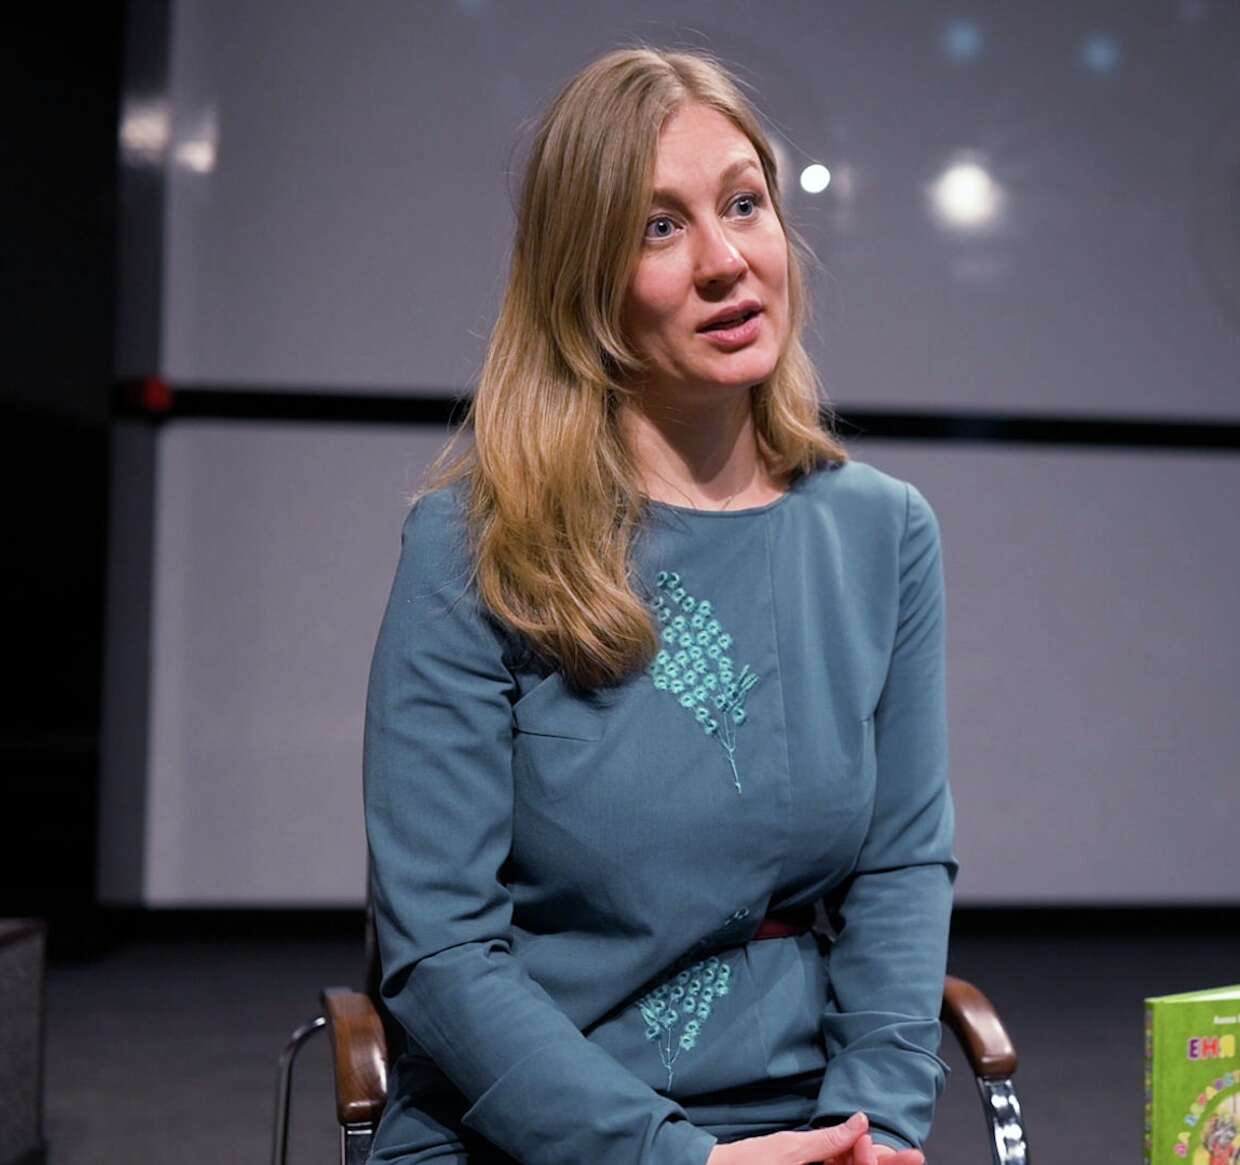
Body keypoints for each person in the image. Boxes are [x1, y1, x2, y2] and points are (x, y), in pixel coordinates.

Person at [361, 45, 955, 1165]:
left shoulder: (882, 532)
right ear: (582, 281)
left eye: (744, 204)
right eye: (659, 227)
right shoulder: (475, 541)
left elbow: (900, 873)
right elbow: (439, 952)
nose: (726, 260)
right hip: (529, 1132)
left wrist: (870, 1128)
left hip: (805, 1126)